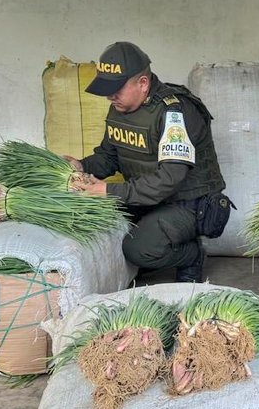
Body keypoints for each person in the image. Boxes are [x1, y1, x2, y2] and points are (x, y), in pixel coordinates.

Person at [67, 42, 229, 282]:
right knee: (93, 224)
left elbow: (169, 178)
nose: (110, 96)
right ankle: (155, 245)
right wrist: (82, 166)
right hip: (147, 198)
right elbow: (109, 157)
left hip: (189, 203)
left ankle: (191, 255)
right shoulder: (119, 109)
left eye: (116, 89)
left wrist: (110, 191)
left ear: (143, 83)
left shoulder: (174, 113)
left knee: (138, 250)